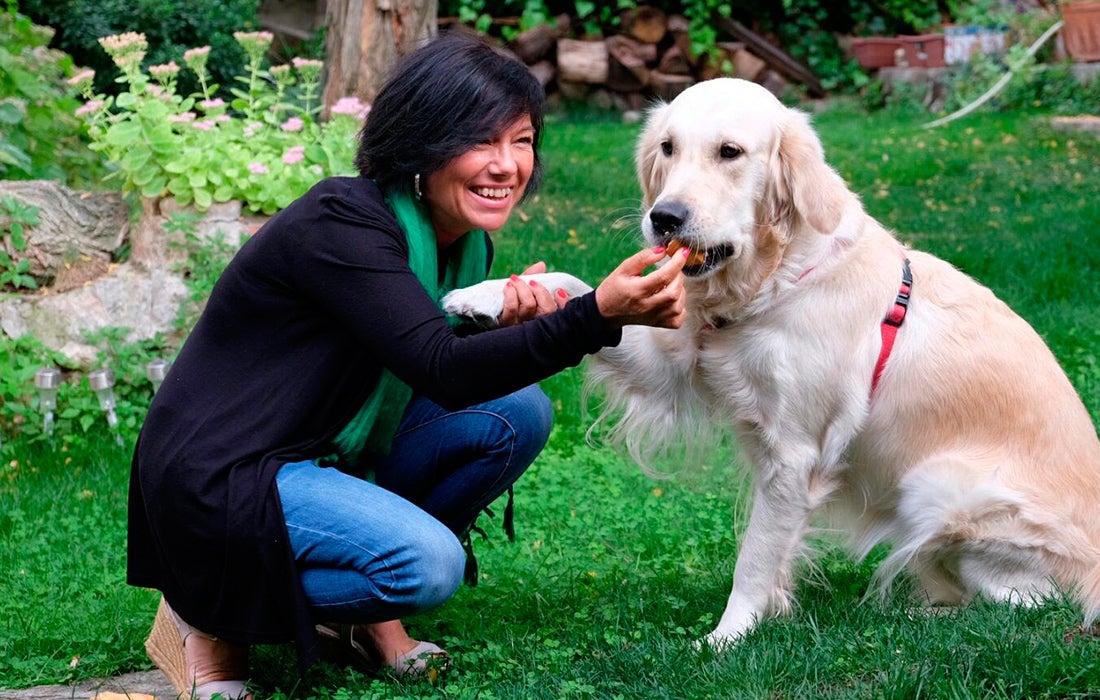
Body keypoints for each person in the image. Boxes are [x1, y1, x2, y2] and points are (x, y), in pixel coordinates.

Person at [127, 31, 690, 700]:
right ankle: (205, 605)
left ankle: (364, 623)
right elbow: (440, 367)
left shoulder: (462, 245)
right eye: (481, 141)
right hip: (228, 471)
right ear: (421, 142)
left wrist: (511, 323)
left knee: (516, 415)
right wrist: (594, 316)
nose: (506, 165)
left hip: (320, 447)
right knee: (427, 564)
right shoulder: (344, 221)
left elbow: (415, 346)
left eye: (521, 140)